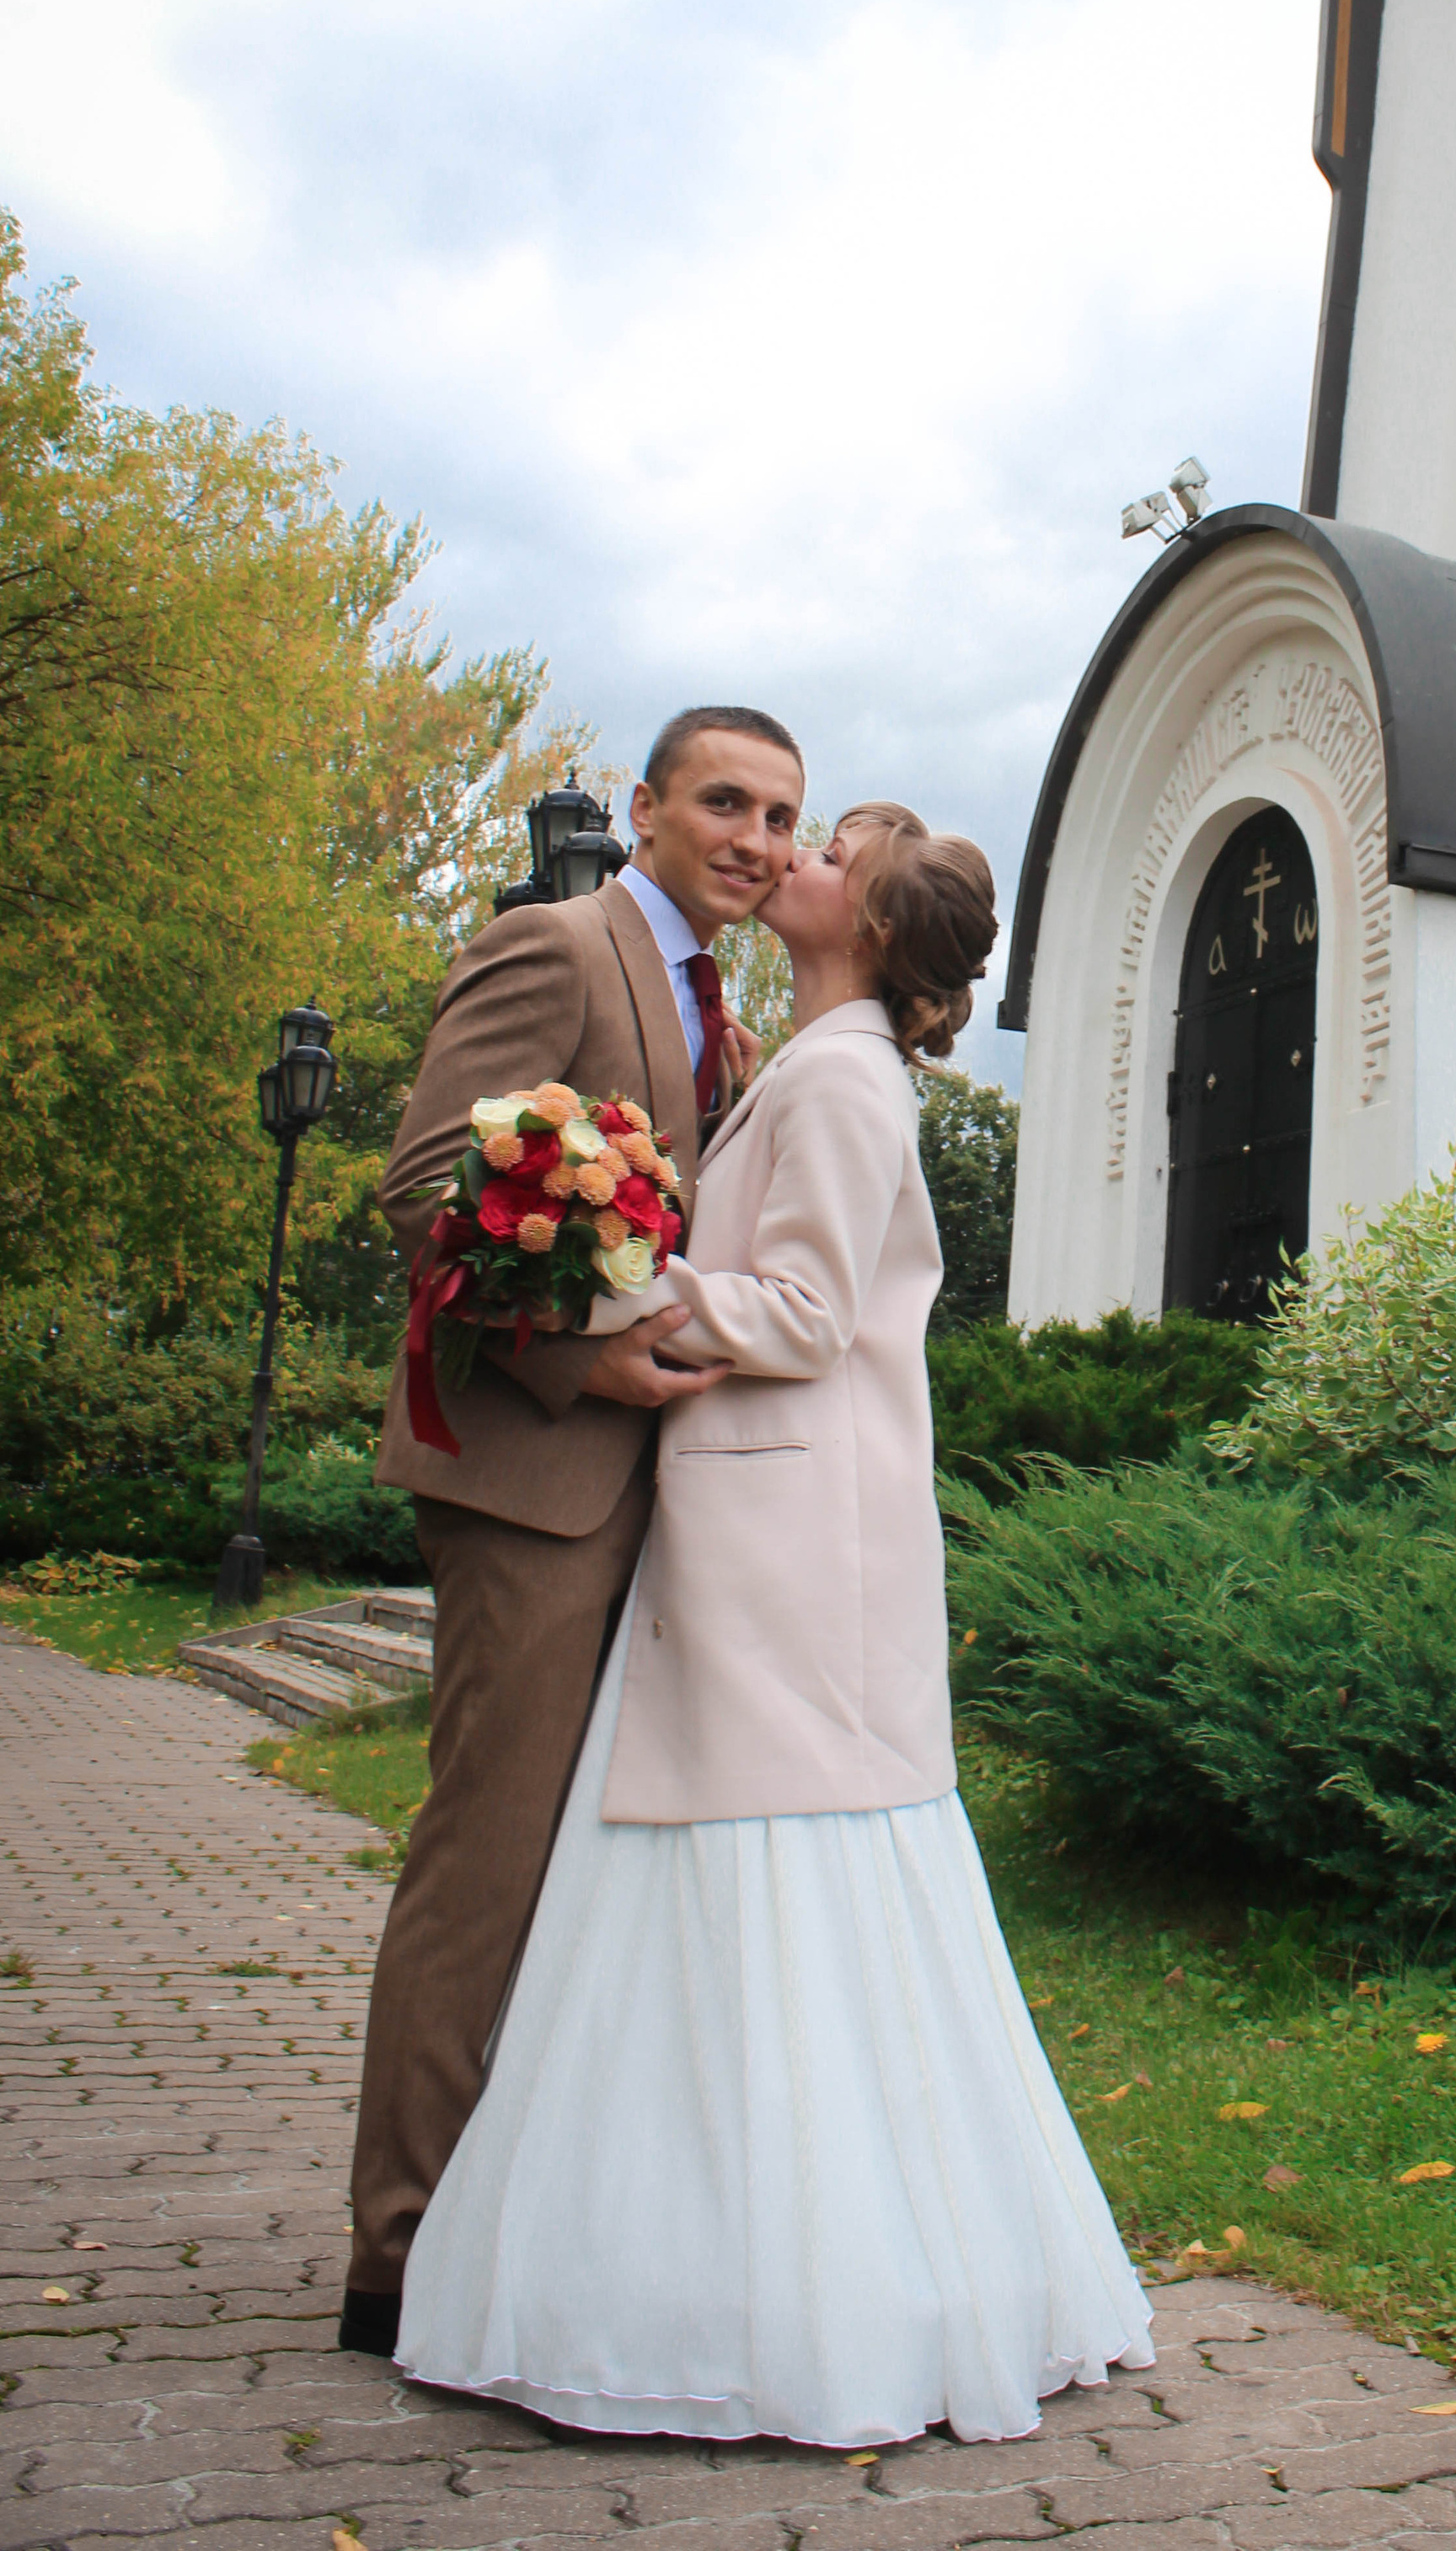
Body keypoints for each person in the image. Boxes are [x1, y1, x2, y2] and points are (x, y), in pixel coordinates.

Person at [395, 807, 1154, 2445]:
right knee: (746, 1866)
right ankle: (746, 2265)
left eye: (833, 851)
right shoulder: (812, 1056)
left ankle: (788, 2288)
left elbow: (806, 1311)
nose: (792, 856)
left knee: (769, 1866)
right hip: (765, 1526)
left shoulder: (839, 1073)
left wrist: (605, 1293)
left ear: (868, 926)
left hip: (791, 1535)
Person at [340, 707, 806, 2359]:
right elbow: (420, 1187)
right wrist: (577, 1357)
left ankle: (517, 2218)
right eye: (724, 803)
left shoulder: (723, 1006)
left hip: (660, 1498)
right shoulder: (558, 944)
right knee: (491, 1858)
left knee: (589, 1871)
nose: (754, 838)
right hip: (528, 1475)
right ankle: (397, 2248)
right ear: (649, 808)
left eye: (779, 815)